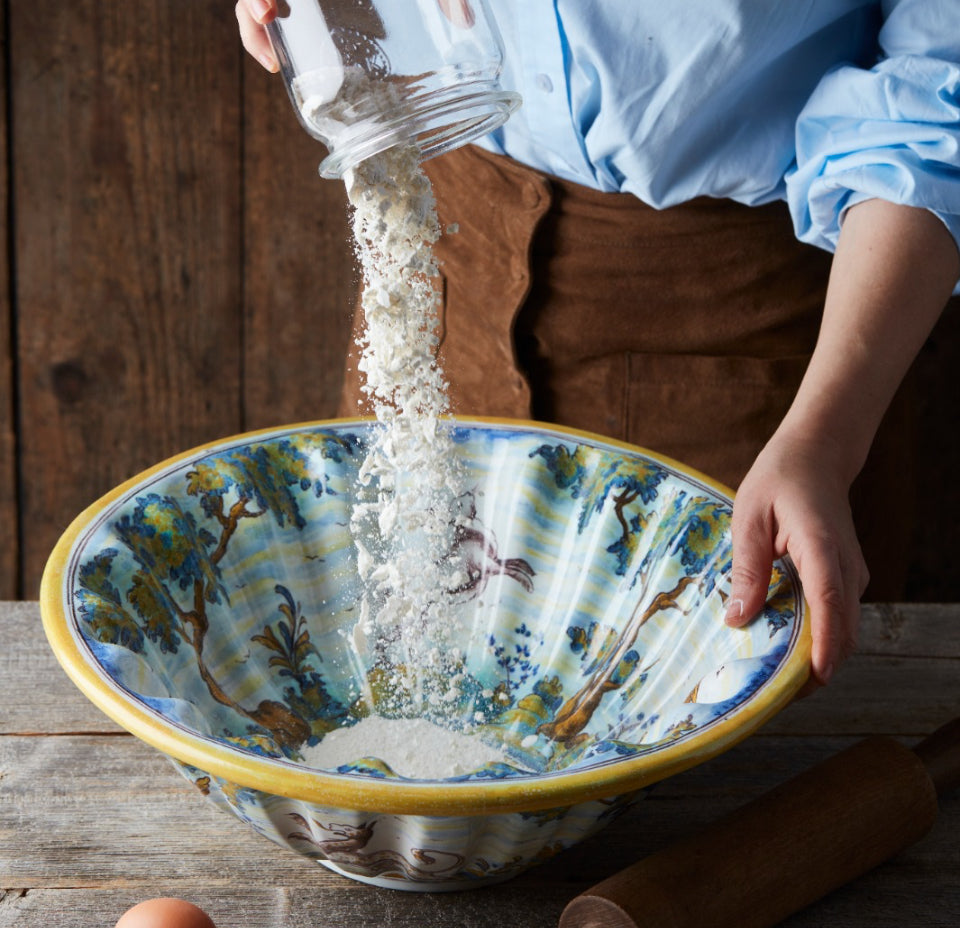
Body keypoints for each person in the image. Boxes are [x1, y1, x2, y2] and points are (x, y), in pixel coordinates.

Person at [236, 0, 960, 691]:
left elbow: (937, 103)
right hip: (442, 243)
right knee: (396, 670)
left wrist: (824, 442)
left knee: (721, 744)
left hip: (758, 334)